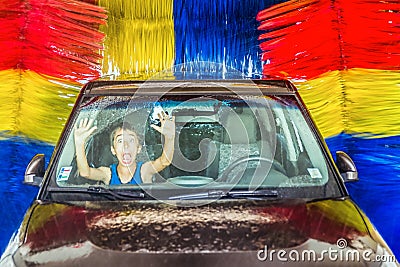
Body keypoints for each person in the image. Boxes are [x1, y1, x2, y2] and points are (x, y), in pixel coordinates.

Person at [73, 112, 175, 184]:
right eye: (120, 141)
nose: (126, 145)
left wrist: (170, 138)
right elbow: (85, 172)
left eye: (131, 140)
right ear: (113, 150)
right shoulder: (108, 174)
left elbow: (164, 161)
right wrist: (79, 143)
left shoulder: (144, 171)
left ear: (138, 148)